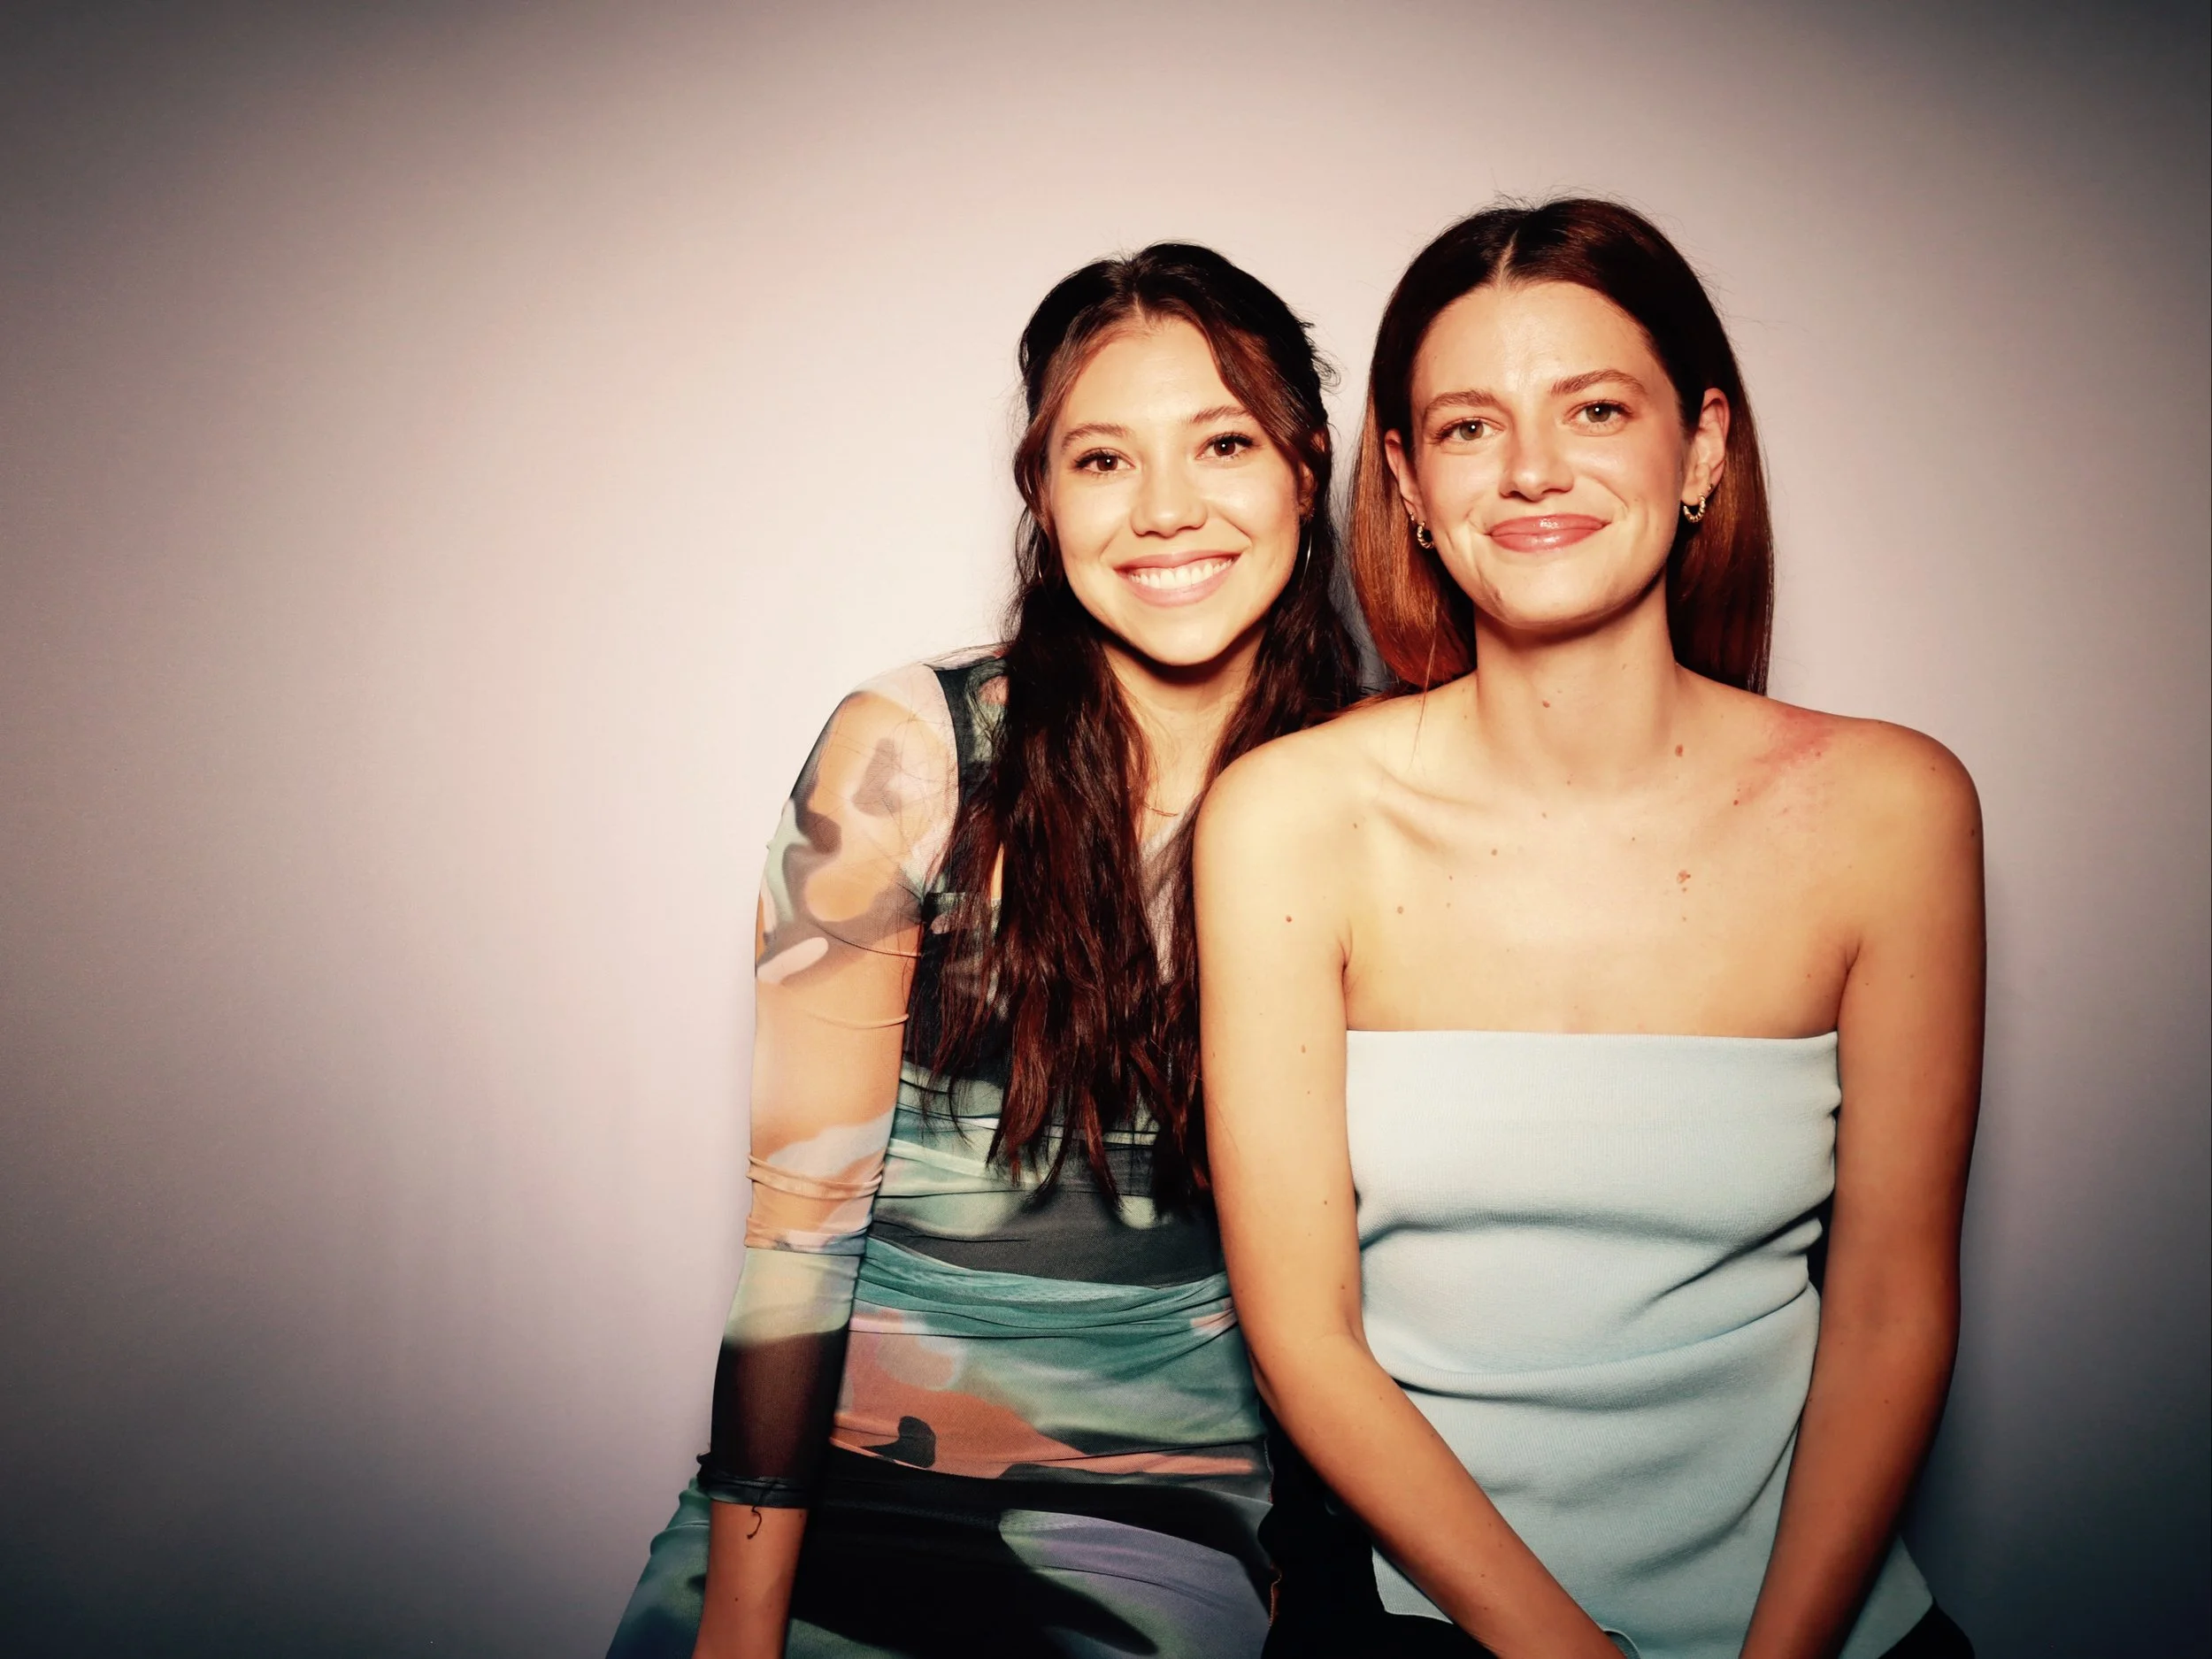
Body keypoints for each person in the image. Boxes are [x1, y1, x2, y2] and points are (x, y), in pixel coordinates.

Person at [1194, 199, 1982, 1659]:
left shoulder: (1894, 808)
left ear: (1701, 447)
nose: (1534, 470)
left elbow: (1890, 1308)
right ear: (1407, 483)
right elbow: (1305, 1338)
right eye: (1469, 426)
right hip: (1435, 1623)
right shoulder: (1286, 821)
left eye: (1597, 408)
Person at [607, 243, 1362, 1659]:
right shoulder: (913, 753)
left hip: (1165, 1517)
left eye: (1223, 442)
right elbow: (797, 1225)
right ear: (1043, 494)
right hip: (826, 1490)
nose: (1168, 510)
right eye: (1101, 460)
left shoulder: (1388, 786)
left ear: (1307, 469)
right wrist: (740, 1631)